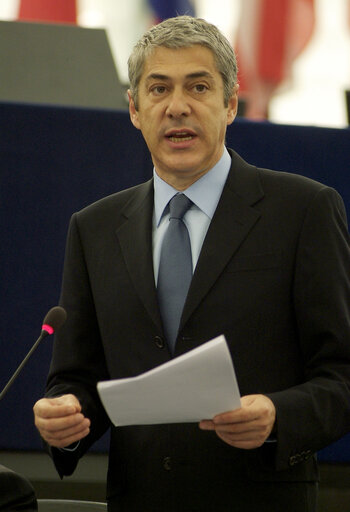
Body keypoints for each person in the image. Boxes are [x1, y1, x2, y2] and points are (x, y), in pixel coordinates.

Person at [33, 15, 350, 512]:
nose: (177, 106)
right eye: (158, 89)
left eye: (198, 86)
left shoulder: (303, 211)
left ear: (230, 104)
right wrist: (66, 417)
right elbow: (76, 377)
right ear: (135, 109)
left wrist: (277, 415)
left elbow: (341, 373)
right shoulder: (95, 228)